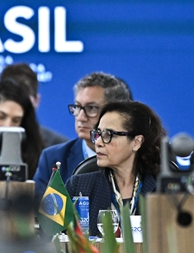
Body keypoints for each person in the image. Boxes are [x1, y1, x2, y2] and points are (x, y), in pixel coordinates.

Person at [66, 101, 164, 236]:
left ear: (136, 142)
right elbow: (48, 235)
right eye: (98, 134)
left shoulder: (163, 190)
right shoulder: (79, 186)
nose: (98, 143)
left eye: (108, 135)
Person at [33, 72, 132, 199]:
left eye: (91, 108)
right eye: (78, 107)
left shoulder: (137, 157)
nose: (81, 117)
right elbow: (37, 215)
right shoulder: (53, 159)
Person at [0, 63, 68, 148]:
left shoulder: (60, 149)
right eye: (11, 103)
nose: (17, 111)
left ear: (37, 101)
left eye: (24, 104)